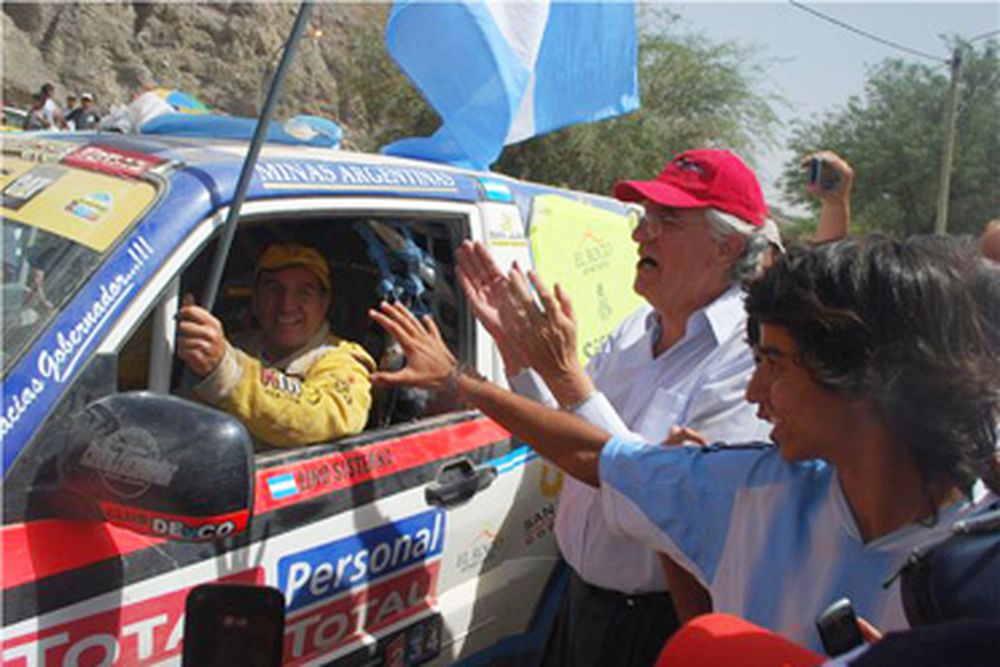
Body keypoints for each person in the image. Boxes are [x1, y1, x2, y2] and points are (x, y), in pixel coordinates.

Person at [369, 234, 999, 654]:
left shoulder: (976, 567)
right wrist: (463, 383)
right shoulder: (748, 489)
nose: (756, 394)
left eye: (776, 363)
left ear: (870, 375)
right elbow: (597, 457)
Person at [459, 148, 775, 665]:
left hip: (657, 627)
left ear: (728, 247)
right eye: (645, 218)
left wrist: (565, 375)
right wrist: (516, 349)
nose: (640, 235)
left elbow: (671, 504)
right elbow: (569, 440)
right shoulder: (636, 328)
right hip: (580, 600)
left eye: (666, 221)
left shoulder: (749, 357)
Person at [177, 243, 375, 448]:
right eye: (274, 290)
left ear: (324, 302)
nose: (286, 305)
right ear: (255, 299)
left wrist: (227, 372)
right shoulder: (231, 346)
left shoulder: (345, 359)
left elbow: (323, 417)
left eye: (303, 293)